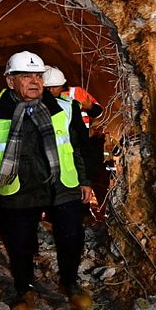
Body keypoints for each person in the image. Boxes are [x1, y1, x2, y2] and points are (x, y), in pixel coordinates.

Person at [0, 51, 94, 310]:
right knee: (19, 241)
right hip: (17, 187)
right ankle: (24, 288)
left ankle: (70, 283)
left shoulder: (64, 108)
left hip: (61, 185)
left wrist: (85, 180)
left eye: (37, 75)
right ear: (10, 81)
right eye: (25, 76)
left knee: (72, 235)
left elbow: (79, 147)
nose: (34, 81)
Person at [42, 65, 109, 212]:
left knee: (89, 172)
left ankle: (89, 208)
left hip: (84, 140)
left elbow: (98, 111)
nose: (51, 91)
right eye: (48, 88)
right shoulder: (40, 100)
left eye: (54, 87)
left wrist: (90, 107)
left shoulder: (76, 92)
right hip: (63, 142)